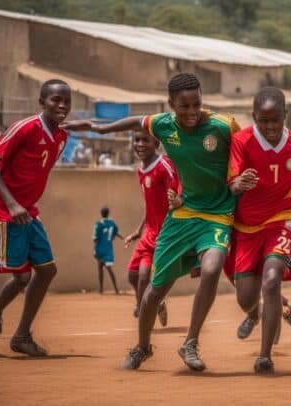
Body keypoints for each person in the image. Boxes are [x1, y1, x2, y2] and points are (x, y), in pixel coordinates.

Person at [62, 73, 240, 371]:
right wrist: (98, 128)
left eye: (197, 104)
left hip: (218, 215)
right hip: (181, 219)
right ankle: (142, 347)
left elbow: (249, 148)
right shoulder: (162, 124)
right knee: (153, 291)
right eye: (184, 106)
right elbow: (135, 121)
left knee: (211, 269)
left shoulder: (223, 126)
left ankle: (190, 343)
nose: (193, 112)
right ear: (171, 105)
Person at [226, 87, 291, 373]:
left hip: (282, 220)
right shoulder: (241, 141)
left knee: (272, 280)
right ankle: (259, 313)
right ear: (254, 118)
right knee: (246, 297)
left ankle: (265, 355)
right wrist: (238, 184)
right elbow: (232, 183)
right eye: (263, 121)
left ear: (286, 115)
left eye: (276, 120)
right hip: (246, 228)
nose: (270, 127)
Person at [0, 79, 71, 356]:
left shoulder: (62, 137)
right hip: (4, 211)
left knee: (46, 270)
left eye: (66, 101)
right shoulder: (25, 128)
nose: (62, 106)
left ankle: (22, 335)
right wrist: (12, 204)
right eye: (55, 100)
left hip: (29, 213)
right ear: (42, 103)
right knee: (19, 275)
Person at [123, 131, 179, 325]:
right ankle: (157, 303)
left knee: (144, 276)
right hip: (149, 233)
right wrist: (138, 231)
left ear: (156, 142)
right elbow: (151, 205)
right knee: (132, 275)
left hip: (165, 234)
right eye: (136, 140)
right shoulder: (141, 169)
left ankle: (145, 316)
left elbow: (179, 194)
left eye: (145, 140)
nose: (139, 144)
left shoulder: (164, 167)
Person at [93, 207, 122, 294]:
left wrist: (94, 250)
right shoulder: (112, 223)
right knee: (108, 268)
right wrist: (124, 238)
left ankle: (102, 289)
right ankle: (115, 289)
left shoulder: (98, 224)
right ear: (108, 213)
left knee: (100, 268)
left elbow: (95, 238)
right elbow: (117, 233)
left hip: (99, 249)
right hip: (108, 249)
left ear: (101, 214)